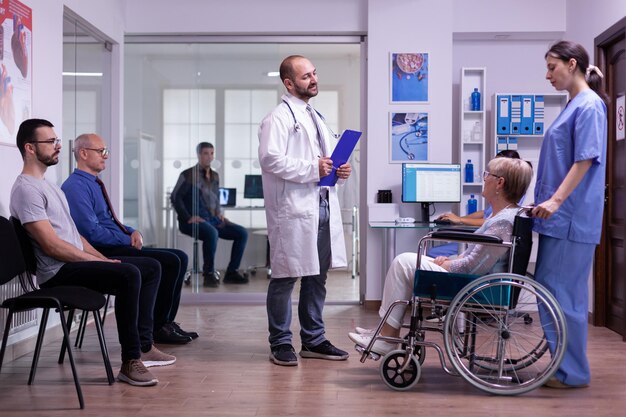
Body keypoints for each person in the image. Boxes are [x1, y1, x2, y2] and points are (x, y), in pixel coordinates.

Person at [9, 119, 176, 387]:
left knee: (151, 266)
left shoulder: (49, 185)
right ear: (29, 148)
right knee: (129, 274)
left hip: (71, 262)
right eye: (51, 142)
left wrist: (100, 257)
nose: (58, 146)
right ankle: (130, 360)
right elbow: (52, 247)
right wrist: (97, 260)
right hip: (57, 271)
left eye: (57, 140)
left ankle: (145, 345)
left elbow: (76, 237)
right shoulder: (26, 190)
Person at [349, 157, 532, 355]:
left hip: (474, 286)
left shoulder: (502, 222)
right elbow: (477, 260)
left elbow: (473, 268)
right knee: (407, 260)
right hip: (474, 280)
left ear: (500, 182)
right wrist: (451, 261)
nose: (484, 178)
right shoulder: (504, 216)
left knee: (403, 262)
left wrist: (448, 265)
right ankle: (385, 331)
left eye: (487, 175)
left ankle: (387, 337)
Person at [258, 55, 353, 366]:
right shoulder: (279, 117)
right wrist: (313, 168)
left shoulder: (316, 116)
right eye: (305, 77)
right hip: (294, 210)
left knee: (318, 275)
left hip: (322, 205)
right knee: (286, 276)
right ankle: (281, 342)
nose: (313, 80)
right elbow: (271, 159)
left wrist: (336, 171)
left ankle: (313, 339)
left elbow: (323, 160)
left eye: (314, 73)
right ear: (289, 83)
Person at [61, 133, 197, 345]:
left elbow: (109, 222)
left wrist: (133, 231)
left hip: (111, 243)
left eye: (106, 151)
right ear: (83, 153)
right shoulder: (75, 187)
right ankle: (157, 327)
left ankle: (164, 322)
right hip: (99, 250)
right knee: (169, 262)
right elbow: (91, 233)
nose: (106, 156)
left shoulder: (94, 183)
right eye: (101, 151)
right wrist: (126, 240)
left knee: (179, 256)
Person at [531, 40, 608, 389]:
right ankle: (563, 366)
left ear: (572, 63)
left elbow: (586, 159)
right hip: (556, 220)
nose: (547, 75)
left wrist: (557, 202)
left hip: (569, 219)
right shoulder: (576, 103)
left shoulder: (589, 107)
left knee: (564, 295)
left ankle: (572, 372)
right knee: (553, 291)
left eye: (552, 67)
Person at [170, 142, 249, 287]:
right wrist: (188, 217)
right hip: (191, 222)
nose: (209, 157)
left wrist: (219, 213)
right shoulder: (188, 175)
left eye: (212, 153)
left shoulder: (215, 176)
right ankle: (208, 274)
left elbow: (215, 198)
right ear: (199, 155)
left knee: (242, 233)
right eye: (206, 153)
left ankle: (231, 273)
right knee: (212, 233)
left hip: (212, 219)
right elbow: (175, 197)